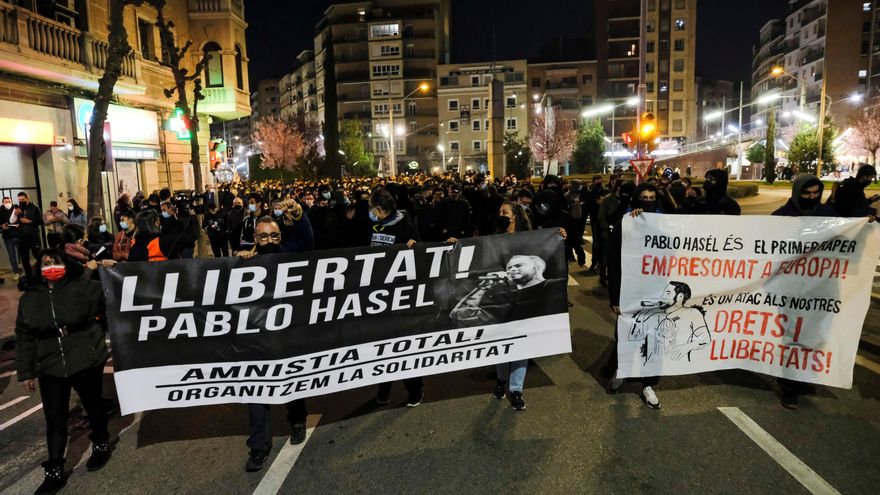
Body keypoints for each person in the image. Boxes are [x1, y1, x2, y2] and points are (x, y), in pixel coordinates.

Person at [449, 202, 567, 411]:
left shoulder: (530, 238)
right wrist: (456, 244)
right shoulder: (494, 236)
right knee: (501, 345)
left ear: (515, 216)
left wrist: (560, 236)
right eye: (499, 212)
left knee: (522, 348)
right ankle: (501, 380)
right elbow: (474, 248)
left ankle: (516, 389)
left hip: (526, 305)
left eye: (505, 212)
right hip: (503, 302)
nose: (501, 215)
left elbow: (550, 249)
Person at [15, 249, 113, 494]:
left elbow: (113, 297)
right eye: (46, 263)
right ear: (39, 268)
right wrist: (26, 371)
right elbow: (24, 336)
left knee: (93, 406)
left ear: (66, 265)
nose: (50, 267)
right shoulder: (29, 298)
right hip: (49, 364)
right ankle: (55, 470)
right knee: (55, 418)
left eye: (55, 263)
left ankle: (101, 443)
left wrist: (108, 270)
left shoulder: (83, 286)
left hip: (84, 356)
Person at [237, 217, 309, 472]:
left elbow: (306, 239)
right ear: (255, 238)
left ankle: (298, 420)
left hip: (288, 335)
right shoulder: (245, 262)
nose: (270, 240)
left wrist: (300, 216)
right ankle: (258, 447)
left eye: (274, 235)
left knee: (292, 379)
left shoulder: (291, 256)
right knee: (256, 391)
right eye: (264, 236)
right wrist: (240, 261)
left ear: (281, 237)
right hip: (257, 338)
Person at [771, 173, 840, 409]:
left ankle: (800, 377)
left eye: (815, 193)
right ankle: (788, 385)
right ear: (797, 192)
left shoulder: (827, 214)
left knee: (811, 333)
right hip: (789, 289)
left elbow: (846, 236)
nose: (812, 197)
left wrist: (865, 222)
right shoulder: (782, 217)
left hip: (818, 287)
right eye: (806, 193)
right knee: (791, 334)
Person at [607, 182, 663, 409]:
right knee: (625, 333)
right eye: (644, 197)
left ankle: (648, 384)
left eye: (652, 197)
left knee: (654, 336)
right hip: (630, 290)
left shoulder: (666, 223)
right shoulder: (626, 224)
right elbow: (613, 261)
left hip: (656, 291)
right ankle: (622, 370)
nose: (648, 201)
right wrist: (614, 297)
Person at [367, 189, 424, 406]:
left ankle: (415, 389)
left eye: (372, 209)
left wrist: (414, 249)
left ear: (380, 210)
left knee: (404, 346)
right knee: (381, 347)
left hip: (400, 297)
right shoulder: (374, 226)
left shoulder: (406, 229)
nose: (370, 213)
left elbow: (420, 258)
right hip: (378, 297)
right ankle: (384, 387)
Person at [15, 192, 43, 279]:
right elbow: (14, 221)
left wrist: (30, 221)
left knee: (38, 256)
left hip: (33, 237)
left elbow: (40, 222)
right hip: (22, 238)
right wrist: (16, 221)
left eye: (22, 199)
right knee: (24, 258)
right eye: (19, 200)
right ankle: (29, 276)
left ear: (28, 198)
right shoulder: (18, 209)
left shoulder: (35, 208)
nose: (21, 201)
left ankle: (43, 274)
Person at [1, 196, 21, 280]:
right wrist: (1, 226)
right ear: (2, 203)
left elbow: (21, 219)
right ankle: (16, 272)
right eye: (6, 202)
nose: (8, 203)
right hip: (7, 238)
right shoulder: (0, 211)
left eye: (9, 201)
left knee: (23, 254)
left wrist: (19, 224)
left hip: (18, 235)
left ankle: (27, 271)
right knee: (12, 257)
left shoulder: (16, 209)